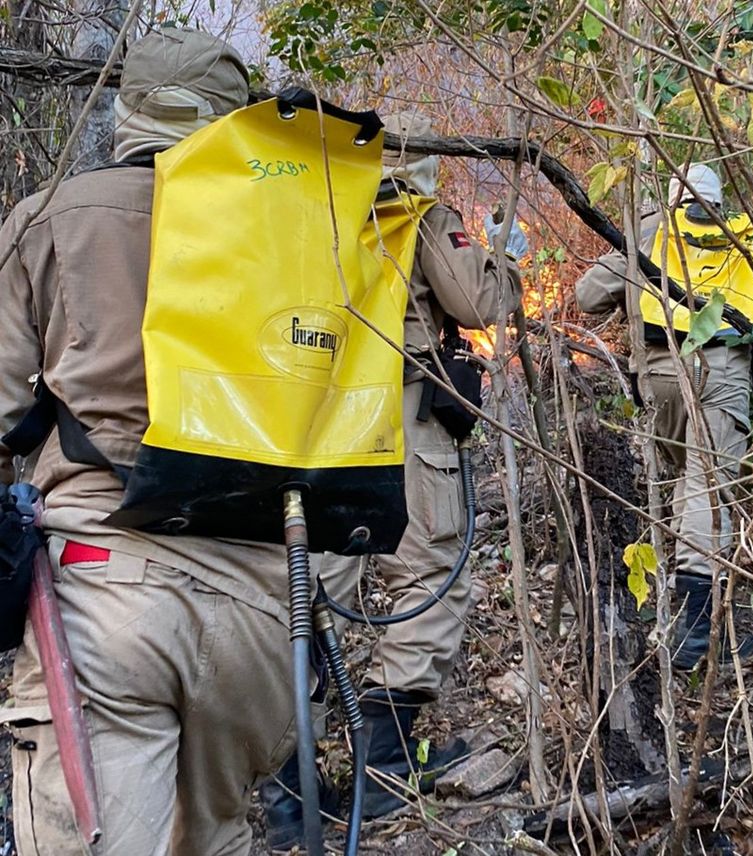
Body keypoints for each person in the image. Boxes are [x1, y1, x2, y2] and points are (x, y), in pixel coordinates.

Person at [0, 29, 307, 855]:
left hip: (104, 585)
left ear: (127, 109)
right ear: (234, 119)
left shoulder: (54, 216)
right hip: (266, 606)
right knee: (214, 838)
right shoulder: (305, 231)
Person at [260, 110, 526, 846]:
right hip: (402, 418)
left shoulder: (308, 211)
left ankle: (290, 787)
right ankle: (381, 766)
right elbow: (481, 302)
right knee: (429, 572)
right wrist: (502, 254)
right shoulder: (416, 211)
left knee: (315, 592)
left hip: (317, 421)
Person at [575, 163, 753, 669]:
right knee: (706, 489)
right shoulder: (744, 236)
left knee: (688, 486)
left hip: (659, 374)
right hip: (723, 373)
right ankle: (695, 631)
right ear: (717, 200)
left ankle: (689, 622)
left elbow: (587, 297)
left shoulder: (648, 230)